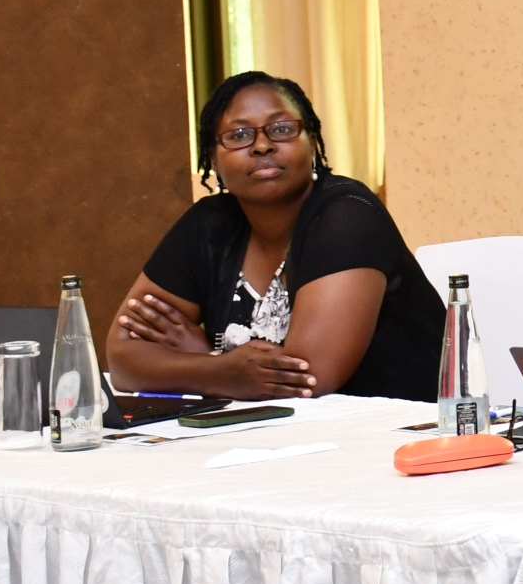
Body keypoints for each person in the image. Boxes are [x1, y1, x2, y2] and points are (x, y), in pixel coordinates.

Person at [108, 72, 444, 400]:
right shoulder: (207, 226)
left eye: (281, 129)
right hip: (275, 440)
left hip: (404, 434)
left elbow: (308, 378)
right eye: (239, 135)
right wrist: (223, 368)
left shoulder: (347, 216)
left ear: (311, 140)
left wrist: (209, 362)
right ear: (213, 157)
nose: (262, 146)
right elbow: (123, 362)